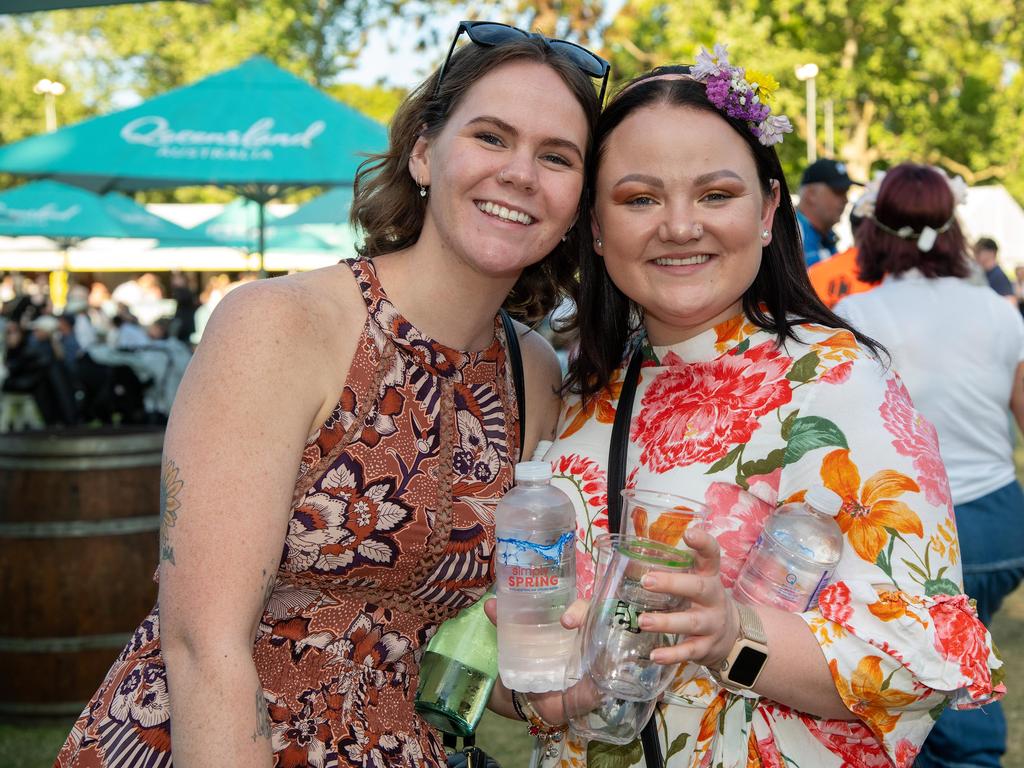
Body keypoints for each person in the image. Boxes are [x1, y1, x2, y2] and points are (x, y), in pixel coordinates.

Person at [55, 21, 605, 767]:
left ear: (579, 199)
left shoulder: (531, 373)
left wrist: (553, 682)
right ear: (422, 152)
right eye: (491, 137)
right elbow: (202, 644)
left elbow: (444, 634)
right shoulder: (281, 324)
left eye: (556, 156)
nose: (521, 174)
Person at [533, 48, 1002, 768]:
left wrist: (733, 635)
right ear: (595, 227)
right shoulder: (580, 392)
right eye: (639, 198)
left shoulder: (838, 378)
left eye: (717, 194)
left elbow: (928, 656)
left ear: (768, 210)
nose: (681, 226)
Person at [833, 163, 1024, 768]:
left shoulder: (856, 318)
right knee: (963, 664)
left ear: (873, 229)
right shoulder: (998, 312)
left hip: (906, 535)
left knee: (919, 688)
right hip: (997, 525)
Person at [796, 158, 859, 267]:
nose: (846, 200)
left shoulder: (826, 235)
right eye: (838, 191)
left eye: (846, 192)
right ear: (811, 194)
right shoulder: (791, 234)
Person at [974, 236, 1017, 306]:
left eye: (978, 252)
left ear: (991, 252)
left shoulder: (998, 276)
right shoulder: (984, 274)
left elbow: (1011, 303)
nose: (975, 255)